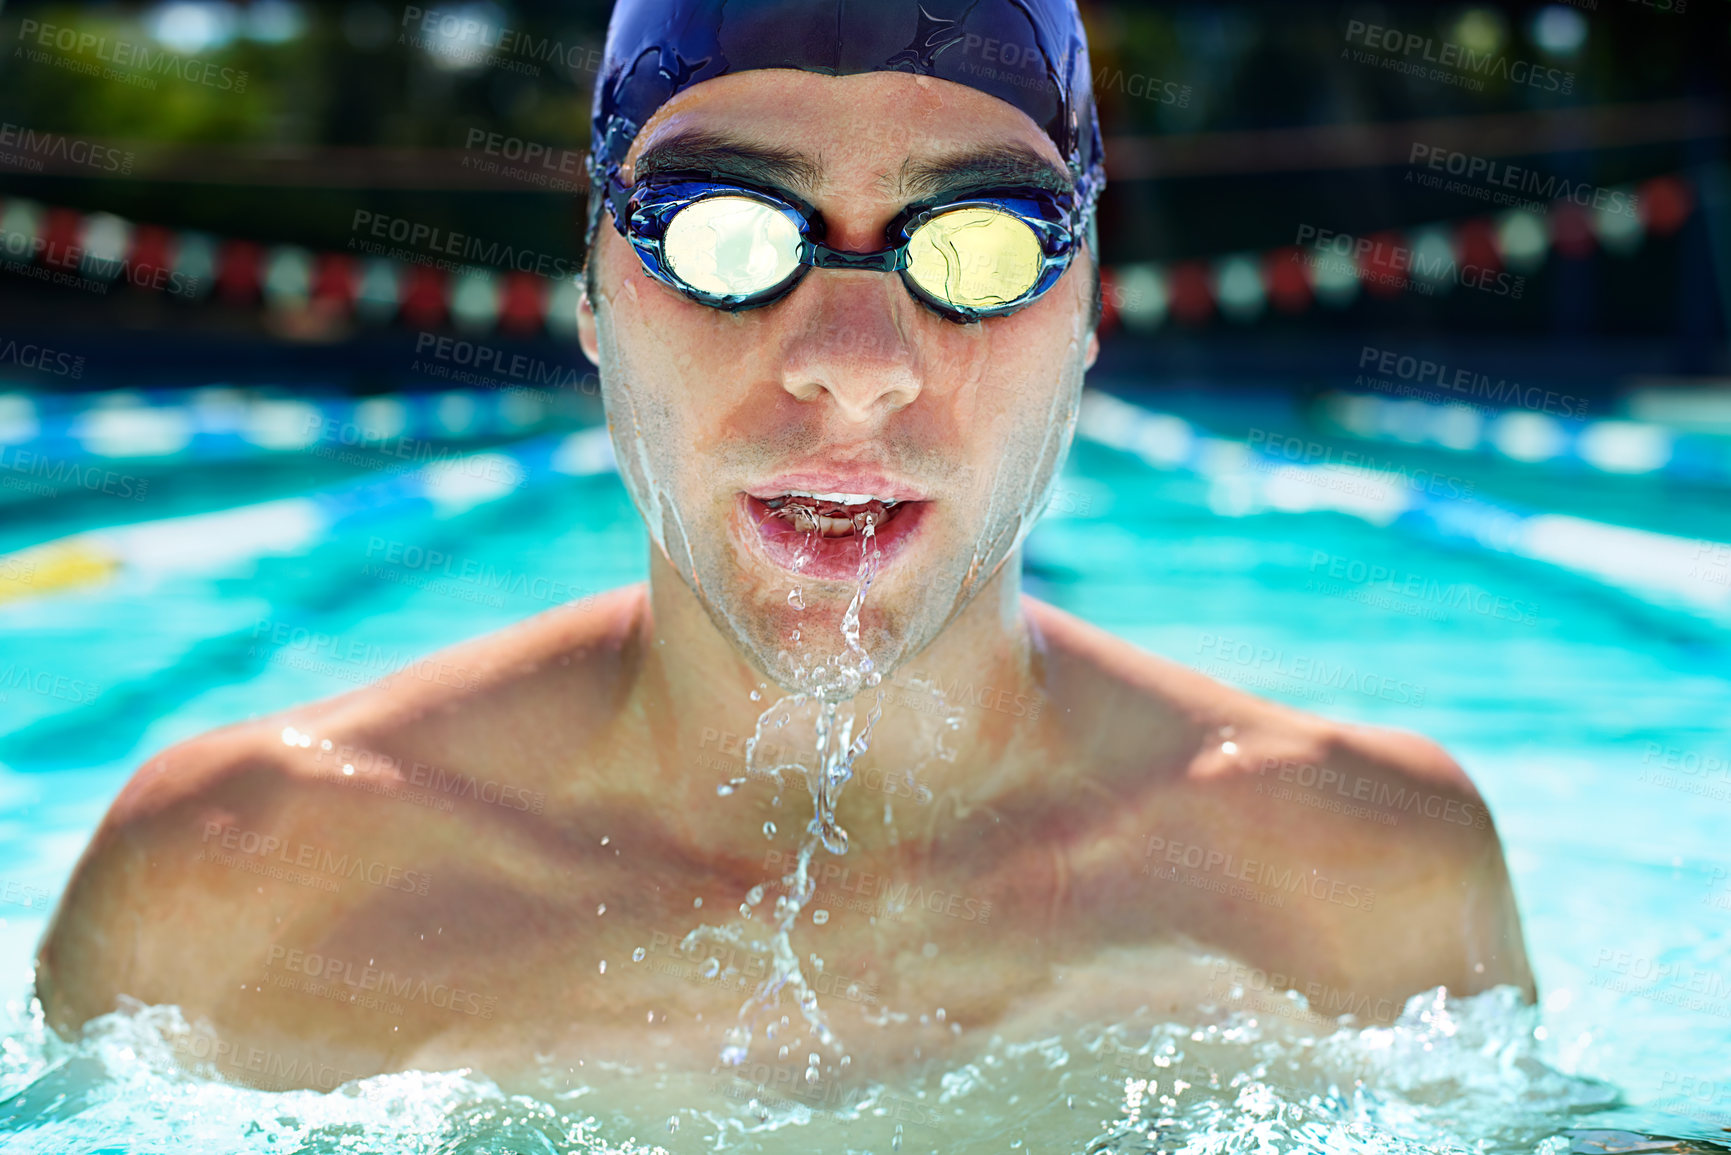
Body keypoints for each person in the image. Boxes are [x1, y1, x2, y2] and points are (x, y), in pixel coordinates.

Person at [34, 0, 1533, 1097]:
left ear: (1083, 319)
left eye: (982, 242)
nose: (854, 361)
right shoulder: (235, 888)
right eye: (725, 229)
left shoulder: (1371, 880)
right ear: (591, 299)